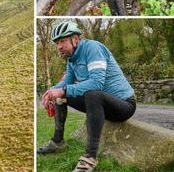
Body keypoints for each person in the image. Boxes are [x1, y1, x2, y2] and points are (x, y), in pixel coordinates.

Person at [37, 21, 136, 172]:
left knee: (91, 94)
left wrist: (63, 90)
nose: (59, 46)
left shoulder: (92, 48)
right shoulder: (71, 59)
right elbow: (67, 82)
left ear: (75, 39)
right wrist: (51, 92)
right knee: (59, 97)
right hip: (101, 105)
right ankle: (58, 141)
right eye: (57, 43)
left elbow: (96, 83)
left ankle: (89, 158)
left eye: (62, 41)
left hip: (124, 105)